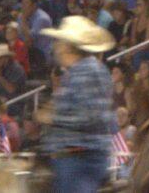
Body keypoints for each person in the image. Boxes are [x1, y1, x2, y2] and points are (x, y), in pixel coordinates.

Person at [39, 15, 116, 193]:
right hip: (75, 157)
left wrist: (53, 117)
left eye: (59, 42)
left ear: (68, 45)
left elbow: (91, 115)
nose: (55, 47)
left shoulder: (87, 70)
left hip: (80, 158)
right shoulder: (80, 70)